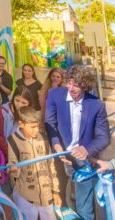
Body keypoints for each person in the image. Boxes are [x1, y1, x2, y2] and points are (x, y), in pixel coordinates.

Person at [45, 65, 110, 220]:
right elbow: (49, 123)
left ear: (85, 85)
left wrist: (86, 150)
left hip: (83, 163)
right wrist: (56, 146)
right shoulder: (54, 95)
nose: (71, 87)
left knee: (83, 208)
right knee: (58, 201)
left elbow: (103, 137)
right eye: (69, 82)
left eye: (76, 84)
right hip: (59, 157)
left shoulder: (97, 105)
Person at [8, 106, 61, 220]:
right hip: (26, 198)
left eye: (38, 126)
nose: (36, 130)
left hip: (46, 195)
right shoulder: (12, 140)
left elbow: (51, 166)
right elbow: (13, 162)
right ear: (21, 124)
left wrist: (55, 191)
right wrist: (13, 169)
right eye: (32, 127)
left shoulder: (44, 139)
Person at [0, 86, 34, 158]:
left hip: (24, 155)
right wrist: (10, 152)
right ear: (13, 98)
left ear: (29, 104)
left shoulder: (30, 115)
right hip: (4, 154)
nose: (19, 105)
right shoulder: (3, 111)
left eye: (24, 103)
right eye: (17, 100)